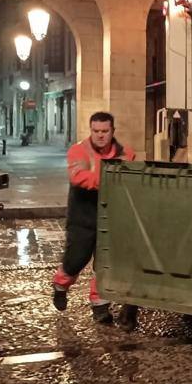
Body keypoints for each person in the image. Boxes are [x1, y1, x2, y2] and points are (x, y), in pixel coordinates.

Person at [51, 111, 137, 327]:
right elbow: (78, 176)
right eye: (96, 131)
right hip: (83, 217)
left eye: (105, 131)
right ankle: (60, 286)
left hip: (110, 217)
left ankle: (100, 307)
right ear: (91, 130)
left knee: (104, 264)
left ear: (112, 131)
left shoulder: (127, 154)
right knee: (75, 260)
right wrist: (109, 177)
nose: (100, 135)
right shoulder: (79, 150)